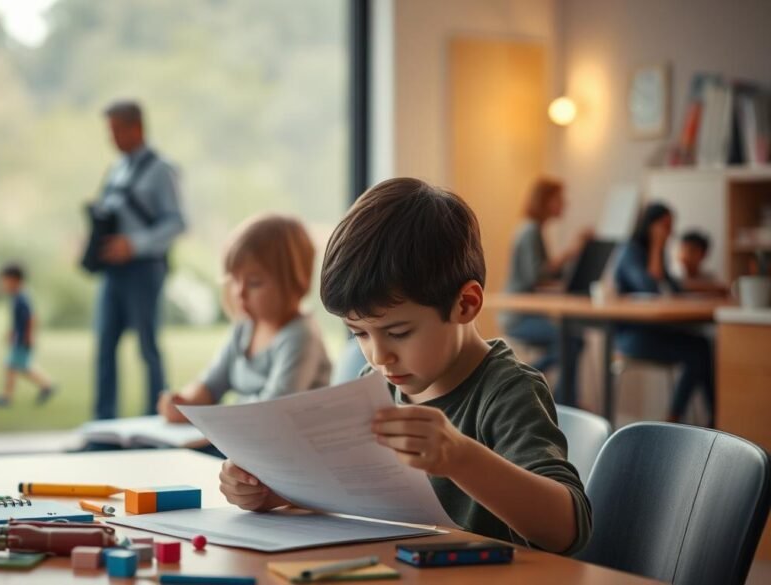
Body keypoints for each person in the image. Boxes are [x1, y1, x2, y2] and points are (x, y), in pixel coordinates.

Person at [218, 178, 592, 555]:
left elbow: (566, 529)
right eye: (359, 334)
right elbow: (352, 497)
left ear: (465, 304)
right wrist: (273, 492)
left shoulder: (507, 390)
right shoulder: (376, 388)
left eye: (398, 331)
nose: (379, 357)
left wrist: (459, 457)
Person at [157, 214, 331, 422]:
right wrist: (185, 402)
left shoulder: (300, 336)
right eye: (234, 280)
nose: (239, 292)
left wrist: (217, 421)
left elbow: (275, 409)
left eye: (254, 282)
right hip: (249, 437)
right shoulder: (244, 330)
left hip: (289, 444)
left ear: (296, 283)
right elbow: (211, 384)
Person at [93, 100, 186, 420]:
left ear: (137, 128)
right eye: (110, 131)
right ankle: (102, 423)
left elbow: (176, 222)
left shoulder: (161, 170)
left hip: (144, 268)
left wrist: (134, 244)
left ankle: (155, 417)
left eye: (117, 130)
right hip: (113, 270)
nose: (113, 138)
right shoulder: (116, 169)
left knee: (147, 346)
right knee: (104, 346)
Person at [613, 203, 714, 424]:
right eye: (665, 227)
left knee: (704, 345)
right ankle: (677, 418)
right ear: (650, 225)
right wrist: (658, 246)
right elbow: (650, 287)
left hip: (656, 333)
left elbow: (673, 288)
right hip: (633, 338)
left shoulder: (656, 254)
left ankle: (710, 417)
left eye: (670, 227)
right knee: (699, 350)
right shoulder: (631, 251)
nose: (669, 233)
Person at [501, 178, 592, 405]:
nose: (565, 204)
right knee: (570, 341)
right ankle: (518, 380)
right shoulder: (530, 230)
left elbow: (544, 278)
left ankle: (563, 402)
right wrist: (572, 251)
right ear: (546, 201)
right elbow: (536, 276)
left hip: (527, 313)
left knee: (574, 340)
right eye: (560, 199)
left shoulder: (535, 230)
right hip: (518, 316)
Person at [0, 263, 56, 407]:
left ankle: (6, 398)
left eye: (4, 281)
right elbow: (18, 321)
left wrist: (29, 336)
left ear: (14, 280)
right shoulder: (17, 297)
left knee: (11, 366)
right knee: (22, 367)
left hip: (23, 340)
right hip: (19, 338)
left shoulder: (22, 298)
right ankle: (47, 386)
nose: (2, 285)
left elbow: (31, 318)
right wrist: (11, 333)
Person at [676, 230, 728, 295]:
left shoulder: (709, 277)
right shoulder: (675, 274)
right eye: (683, 249)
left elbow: (723, 289)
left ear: (703, 254)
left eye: (692, 251)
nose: (685, 254)